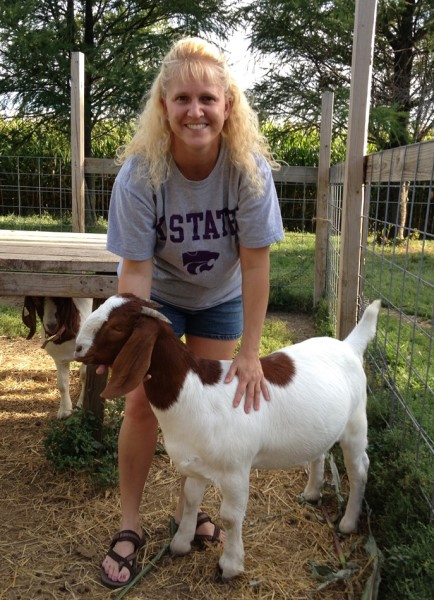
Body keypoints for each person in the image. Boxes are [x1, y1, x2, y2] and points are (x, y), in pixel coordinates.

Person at [100, 36, 284, 588]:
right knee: (139, 405)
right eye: (181, 98)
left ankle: (192, 513)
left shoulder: (248, 171)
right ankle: (130, 526)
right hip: (160, 299)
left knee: (205, 410)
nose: (195, 110)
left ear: (228, 104)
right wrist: (140, 340)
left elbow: (255, 268)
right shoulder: (139, 176)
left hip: (221, 299)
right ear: (164, 106)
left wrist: (251, 353)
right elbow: (134, 274)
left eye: (207, 97)